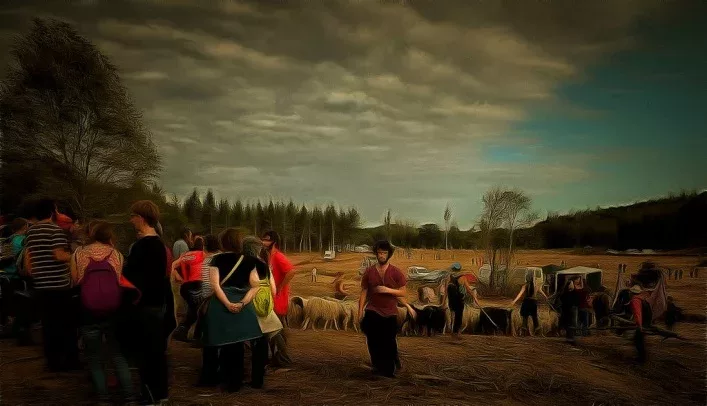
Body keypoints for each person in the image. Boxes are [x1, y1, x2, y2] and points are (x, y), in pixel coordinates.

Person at [70, 221, 134, 403]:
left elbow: (74, 281)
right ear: (109, 236)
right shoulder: (116, 254)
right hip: (113, 310)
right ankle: (129, 397)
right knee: (117, 354)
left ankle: (103, 398)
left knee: (94, 358)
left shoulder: (79, 253)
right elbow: (120, 282)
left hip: (88, 311)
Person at [203, 228, 266, 392]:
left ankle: (218, 379)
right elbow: (256, 286)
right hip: (242, 306)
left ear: (223, 242)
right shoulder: (249, 261)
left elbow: (215, 285)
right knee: (237, 344)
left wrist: (227, 303)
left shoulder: (216, 260)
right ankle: (235, 382)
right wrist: (243, 303)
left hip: (220, 305)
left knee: (220, 342)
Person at [121, 200, 170, 404]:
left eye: (133, 216)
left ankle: (149, 395)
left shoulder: (142, 246)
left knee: (147, 354)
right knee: (157, 351)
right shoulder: (159, 244)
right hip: (157, 303)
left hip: (144, 305)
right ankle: (160, 393)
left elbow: (133, 277)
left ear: (141, 218)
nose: (131, 220)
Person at [23, 198, 79, 372]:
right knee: (67, 325)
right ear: (52, 211)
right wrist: (75, 255)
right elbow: (58, 255)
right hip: (59, 286)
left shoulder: (31, 232)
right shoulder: (55, 230)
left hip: (41, 285)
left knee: (48, 325)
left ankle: (52, 361)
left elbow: (29, 257)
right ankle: (70, 361)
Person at [359, 240, 407, 377]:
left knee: (389, 341)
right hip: (373, 309)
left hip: (390, 311)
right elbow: (364, 291)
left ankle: (389, 370)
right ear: (376, 254)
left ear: (388, 255)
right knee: (372, 339)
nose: (381, 255)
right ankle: (377, 365)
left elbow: (403, 292)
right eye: (379, 252)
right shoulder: (369, 272)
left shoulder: (396, 272)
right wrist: (360, 310)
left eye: (384, 253)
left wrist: (387, 290)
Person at [242, 236, 290, 366]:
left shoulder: (239, 263)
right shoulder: (263, 265)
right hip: (263, 305)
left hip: (244, 305)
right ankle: (282, 361)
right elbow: (273, 290)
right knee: (275, 331)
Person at [261, 230, 295, 366]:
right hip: (270, 300)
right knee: (272, 332)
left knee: (276, 332)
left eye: (267, 239)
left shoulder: (278, 257)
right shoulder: (267, 256)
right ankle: (276, 358)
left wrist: (280, 287)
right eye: (263, 239)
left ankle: (283, 360)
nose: (264, 242)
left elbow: (291, 271)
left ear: (274, 241)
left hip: (278, 300)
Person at [194, 234, 222, 386]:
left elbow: (206, 289)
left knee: (210, 343)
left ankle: (209, 377)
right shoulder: (225, 258)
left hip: (211, 305)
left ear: (205, 246)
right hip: (226, 304)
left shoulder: (207, 262)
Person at [171, 237, 205, 341]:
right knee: (200, 311)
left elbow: (173, 265)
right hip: (197, 285)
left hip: (186, 287)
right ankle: (195, 335)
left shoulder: (185, 255)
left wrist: (180, 278)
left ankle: (184, 331)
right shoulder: (203, 254)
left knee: (194, 309)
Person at [0, 218, 29, 334]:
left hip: (6, 275)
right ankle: (17, 328)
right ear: (24, 227)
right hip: (17, 276)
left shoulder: (8, 239)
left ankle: (6, 326)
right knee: (18, 304)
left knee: (7, 304)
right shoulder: (23, 240)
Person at [511, 271, 550, 336]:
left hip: (526, 303)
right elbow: (543, 294)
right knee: (535, 318)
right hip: (533, 303)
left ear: (527, 278)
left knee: (525, 318)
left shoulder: (525, 286)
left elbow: (519, 295)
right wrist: (547, 298)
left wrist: (514, 301)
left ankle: (523, 333)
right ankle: (538, 332)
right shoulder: (537, 286)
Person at [447, 271, 482, 339]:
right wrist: (475, 298)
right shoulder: (463, 278)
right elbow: (468, 289)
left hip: (451, 300)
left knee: (453, 316)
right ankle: (457, 333)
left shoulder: (450, 279)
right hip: (459, 299)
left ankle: (452, 332)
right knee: (459, 316)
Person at [628, 284, 652, 362]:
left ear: (632, 293)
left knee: (638, 340)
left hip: (642, 324)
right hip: (646, 323)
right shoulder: (643, 300)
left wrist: (639, 325)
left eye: (630, 292)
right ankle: (642, 357)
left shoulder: (635, 300)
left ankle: (641, 359)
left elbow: (638, 313)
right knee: (639, 340)